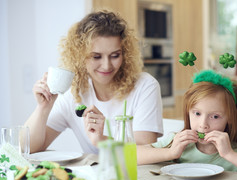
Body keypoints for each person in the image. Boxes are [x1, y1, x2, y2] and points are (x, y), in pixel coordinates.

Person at [25, 10, 163, 154]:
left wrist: (102, 140)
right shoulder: (73, 92)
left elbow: (145, 154)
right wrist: (43, 108)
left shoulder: (145, 86)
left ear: (125, 53)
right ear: (80, 56)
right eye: (96, 57)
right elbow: (28, 148)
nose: (107, 65)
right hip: (91, 175)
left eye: (115, 55)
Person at [137, 70, 237, 176]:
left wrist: (229, 154)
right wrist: (171, 153)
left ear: (230, 118)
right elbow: (130, 156)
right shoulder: (178, 143)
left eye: (215, 116)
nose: (203, 124)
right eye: (197, 114)